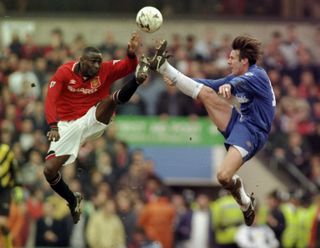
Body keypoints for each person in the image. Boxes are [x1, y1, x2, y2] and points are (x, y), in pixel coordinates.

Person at [147, 35, 276, 226]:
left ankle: (244, 200)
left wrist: (229, 85)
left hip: (254, 132)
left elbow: (236, 84)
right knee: (206, 94)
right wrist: (175, 77)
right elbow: (206, 85)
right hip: (240, 121)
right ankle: (163, 65)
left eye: (232, 57)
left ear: (244, 61)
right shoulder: (237, 76)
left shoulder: (258, 75)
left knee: (223, 176)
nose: (228, 60)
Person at [43, 32, 149, 224]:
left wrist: (132, 54)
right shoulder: (64, 72)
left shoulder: (105, 70)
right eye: (93, 62)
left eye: (100, 62)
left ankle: (136, 82)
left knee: (110, 101)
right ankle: (72, 199)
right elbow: (50, 99)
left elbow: (129, 66)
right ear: (82, 61)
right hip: (67, 126)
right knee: (49, 171)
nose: (98, 66)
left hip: (92, 118)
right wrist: (53, 125)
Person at [0, 143, 21, 248]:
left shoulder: (6, 150)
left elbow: (14, 169)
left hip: (4, 190)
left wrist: (17, 187)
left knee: (2, 223)